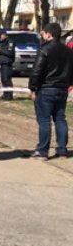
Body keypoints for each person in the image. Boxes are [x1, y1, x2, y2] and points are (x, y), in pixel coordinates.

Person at [28, 22, 73, 160]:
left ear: (49, 34)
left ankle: (42, 151)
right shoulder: (68, 51)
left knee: (44, 120)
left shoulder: (45, 50)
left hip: (46, 88)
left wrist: (33, 88)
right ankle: (62, 150)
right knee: (60, 118)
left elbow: (37, 71)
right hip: (62, 89)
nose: (43, 35)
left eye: (44, 33)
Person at [0, 29, 15, 101]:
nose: (0, 37)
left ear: (4, 35)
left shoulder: (10, 42)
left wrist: (0, 50)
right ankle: (5, 94)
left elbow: (10, 53)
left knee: (7, 80)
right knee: (3, 80)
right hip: (2, 64)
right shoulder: (2, 43)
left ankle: (9, 95)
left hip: (7, 64)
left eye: (1, 36)